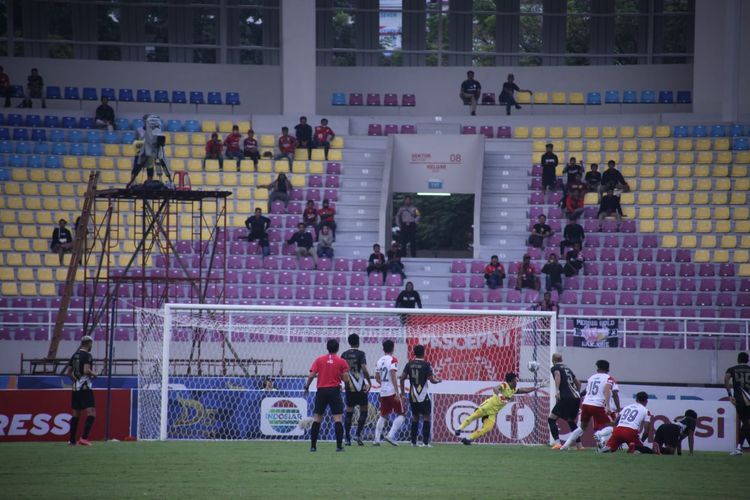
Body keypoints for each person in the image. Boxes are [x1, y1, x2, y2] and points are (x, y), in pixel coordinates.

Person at [455, 372, 541, 445]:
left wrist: (537, 387)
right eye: (515, 380)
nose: (516, 382)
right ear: (511, 381)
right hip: (487, 406)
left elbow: (524, 390)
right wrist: (501, 396)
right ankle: (459, 429)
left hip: (492, 413)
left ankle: (468, 439)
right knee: (473, 417)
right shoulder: (505, 385)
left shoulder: (513, 390)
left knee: (487, 428)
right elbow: (495, 388)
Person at [304, 338, 351, 452]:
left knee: (317, 419)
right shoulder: (342, 361)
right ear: (338, 348)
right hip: (334, 391)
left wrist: (307, 387)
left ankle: (313, 446)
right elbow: (345, 378)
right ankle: (339, 446)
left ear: (327, 348)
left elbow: (311, 375)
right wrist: (345, 384)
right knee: (338, 419)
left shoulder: (319, 360)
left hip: (321, 391)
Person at [560, 359, 618, 450]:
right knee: (615, 424)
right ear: (608, 369)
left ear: (597, 369)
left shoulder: (592, 377)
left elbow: (586, 391)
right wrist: (608, 406)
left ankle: (565, 445)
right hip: (598, 405)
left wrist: (577, 396)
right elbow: (607, 391)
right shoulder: (609, 378)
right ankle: (600, 435)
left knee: (582, 427)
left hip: (586, 404)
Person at [400, 344, 442, 447]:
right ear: (424, 353)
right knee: (426, 417)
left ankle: (413, 442)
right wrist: (438, 381)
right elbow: (432, 380)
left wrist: (402, 392)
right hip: (423, 395)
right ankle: (425, 443)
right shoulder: (426, 365)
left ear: (414, 353)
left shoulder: (409, 364)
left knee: (415, 417)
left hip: (413, 395)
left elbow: (401, 378)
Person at [340, 334, 372, 446]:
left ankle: (347, 438)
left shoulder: (344, 354)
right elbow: (364, 368)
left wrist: (342, 382)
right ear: (358, 342)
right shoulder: (361, 353)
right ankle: (358, 435)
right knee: (364, 410)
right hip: (360, 386)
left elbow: (341, 371)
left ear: (349, 342)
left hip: (349, 386)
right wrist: (369, 381)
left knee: (349, 411)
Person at [65, 335, 97, 446]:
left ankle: (72, 440)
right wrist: (95, 374)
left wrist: (76, 381)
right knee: (92, 412)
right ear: (88, 344)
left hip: (75, 387)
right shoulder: (87, 355)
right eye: (91, 344)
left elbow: (68, 372)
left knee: (76, 413)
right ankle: (84, 438)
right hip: (84, 387)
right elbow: (86, 370)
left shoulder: (75, 355)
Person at [374, 340, 406, 446]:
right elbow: (393, 374)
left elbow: (376, 377)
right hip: (392, 391)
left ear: (383, 349)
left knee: (383, 415)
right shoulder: (393, 359)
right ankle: (390, 435)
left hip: (383, 392)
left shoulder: (379, 361)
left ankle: (376, 439)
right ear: (393, 348)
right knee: (401, 414)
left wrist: (383, 384)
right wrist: (397, 391)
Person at [548, 353, 582, 450]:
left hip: (565, 397)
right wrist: (577, 393)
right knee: (571, 421)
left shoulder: (555, 368)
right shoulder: (568, 369)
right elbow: (578, 383)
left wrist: (558, 390)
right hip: (576, 398)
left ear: (553, 360)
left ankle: (557, 443)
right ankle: (580, 445)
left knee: (551, 419)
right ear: (561, 359)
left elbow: (557, 375)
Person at [725, 351, 750, 456]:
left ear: (738, 360)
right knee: (746, 423)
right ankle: (739, 447)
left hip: (738, 399)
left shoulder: (732, 369)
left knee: (745, 423)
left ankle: (739, 447)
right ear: (747, 360)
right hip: (749, 399)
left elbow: (726, 380)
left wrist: (730, 395)